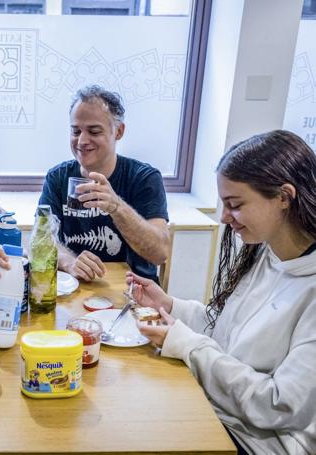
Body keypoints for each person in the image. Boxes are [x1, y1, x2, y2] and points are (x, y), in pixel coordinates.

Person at [130, 130, 316, 455]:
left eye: (235, 205)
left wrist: (186, 344)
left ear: (284, 197)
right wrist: (170, 305)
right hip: (222, 411)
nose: (224, 217)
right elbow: (226, 331)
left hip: (260, 442)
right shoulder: (265, 251)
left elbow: (277, 405)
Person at [39, 84, 170, 282]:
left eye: (94, 131)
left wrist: (116, 206)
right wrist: (69, 262)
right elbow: (41, 239)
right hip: (75, 289)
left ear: (118, 131)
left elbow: (159, 253)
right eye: (76, 131)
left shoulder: (144, 178)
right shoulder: (57, 178)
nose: (82, 141)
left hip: (133, 293)